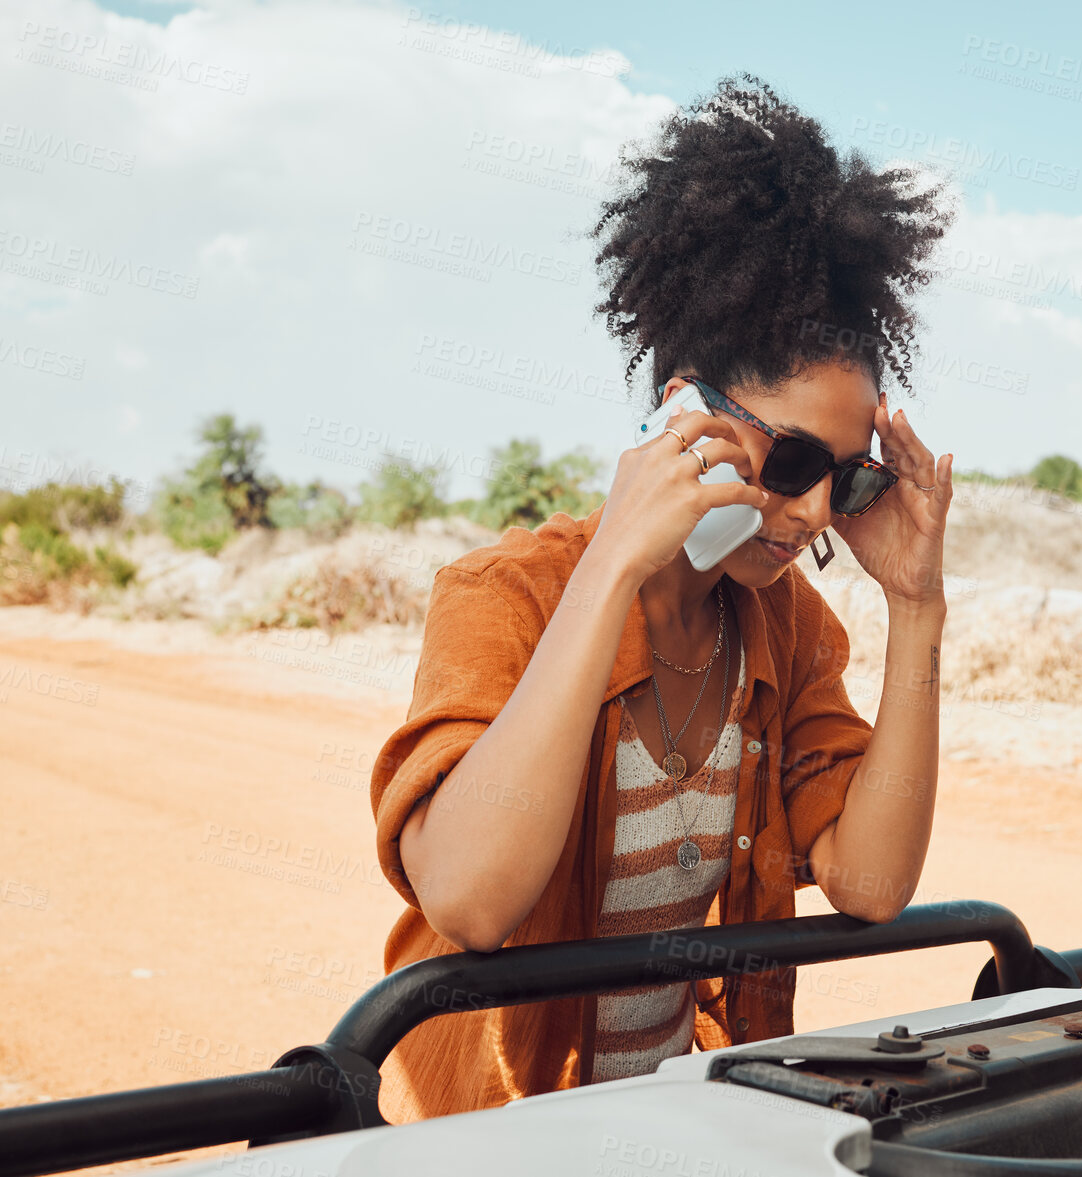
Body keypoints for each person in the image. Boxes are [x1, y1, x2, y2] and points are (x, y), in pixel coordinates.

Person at [368, 75, 957, 1121]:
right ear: (682, 408)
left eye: (850, 476)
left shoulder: (786, 629)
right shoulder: (504, 597)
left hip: (664, 1124)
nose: (819, 511)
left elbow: (870, 883)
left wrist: (916, 605)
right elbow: (470, 896)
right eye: (792, 464)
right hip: (485, 1134)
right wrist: (612, 569)